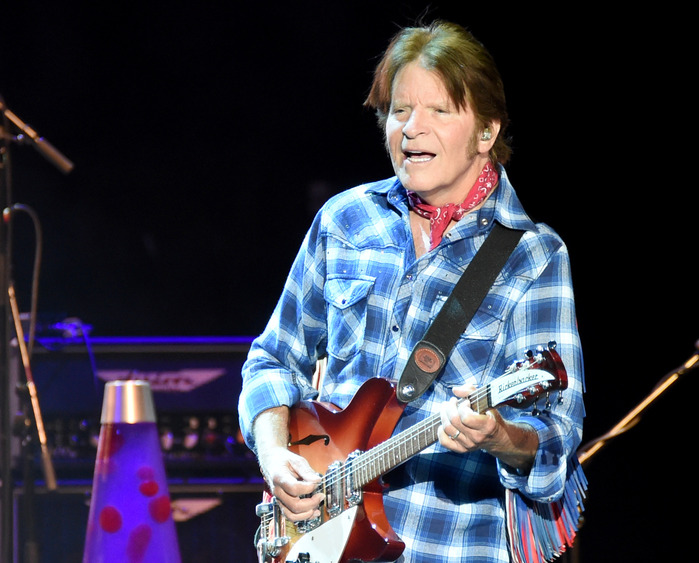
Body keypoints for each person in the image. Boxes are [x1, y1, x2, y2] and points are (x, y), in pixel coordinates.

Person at [238, 20, 585, 563]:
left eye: (439, 111)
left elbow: (557, 436)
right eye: (400, 111)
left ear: (487, 131)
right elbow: (272, 360)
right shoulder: (346, 221)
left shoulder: (532, 256)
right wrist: (275, 455)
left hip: (450, 546)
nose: (411, 129)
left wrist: (498, 435)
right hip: (322, 542)